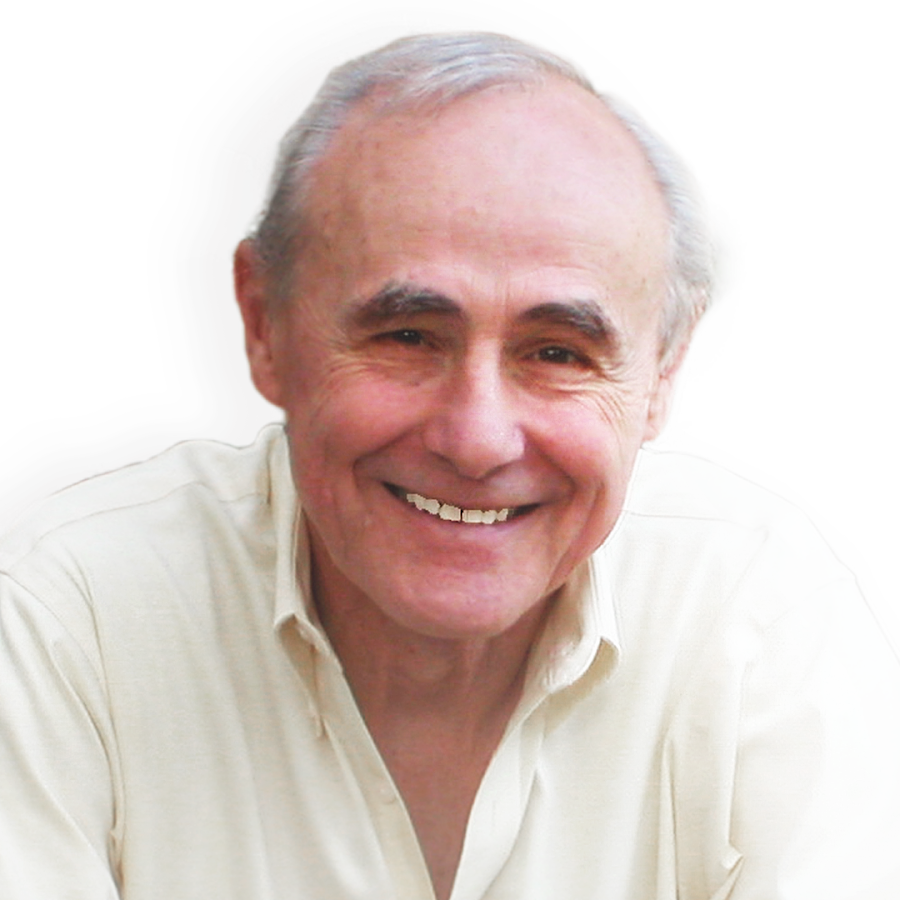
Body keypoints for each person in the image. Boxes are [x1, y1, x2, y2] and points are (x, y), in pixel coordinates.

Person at [0, 31, 897, 900]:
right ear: (264, 321)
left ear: (662, 372)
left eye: (558, 353)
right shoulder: (73, 621)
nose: (477, 439)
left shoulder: (759, 626)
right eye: (408, 335)